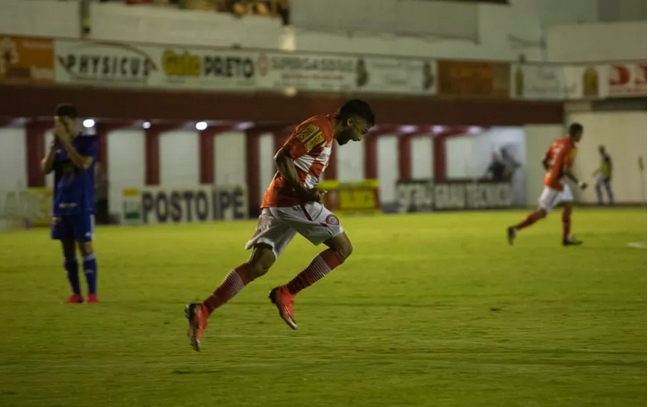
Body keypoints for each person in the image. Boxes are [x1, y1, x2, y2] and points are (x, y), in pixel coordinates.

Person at [186, 99, 375, 351]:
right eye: (362, 130)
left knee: (258, 266)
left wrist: (306, 186)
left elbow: (297, 163)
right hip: (292, 201)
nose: (360, 138)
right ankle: (286, 293)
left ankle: (204, 309)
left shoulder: (324, 131)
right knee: (342, 249)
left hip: (279, 201)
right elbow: (282, 156)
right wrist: (302, 191)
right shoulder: (320, 128)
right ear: (350, 121)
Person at [41, 104, 99, 303]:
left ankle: (92, 293)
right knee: (66, 248)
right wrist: (53, 146)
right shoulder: (57, 145)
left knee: (85, 246)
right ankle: (76, 293)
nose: (61, 128)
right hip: (60, 204)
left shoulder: (88, 141)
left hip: (82, 204)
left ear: (75, 122)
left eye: (64, 123)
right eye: (57, 124)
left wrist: (66, 143)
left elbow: (83, 164)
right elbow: (45, 169)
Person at [507, 123, 588, 246]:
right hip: (556, 184)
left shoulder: (557, 142)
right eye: (581, 134)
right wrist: (579, 182)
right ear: (576, 134)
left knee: (568, 205)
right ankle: (515, 229)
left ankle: (567, 237)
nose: (581, 137)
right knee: (542, 212)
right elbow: (566, 170)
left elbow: (543, 160)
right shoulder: (572, 147)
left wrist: (550, 172)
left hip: (555, 180)